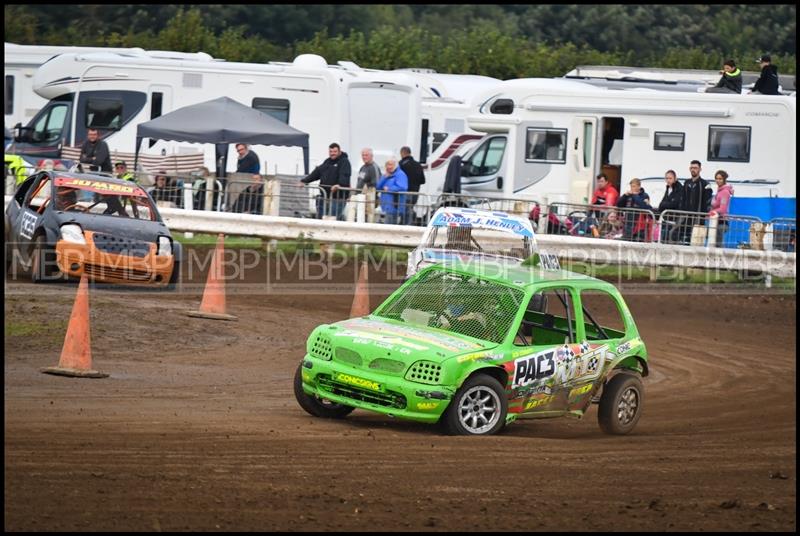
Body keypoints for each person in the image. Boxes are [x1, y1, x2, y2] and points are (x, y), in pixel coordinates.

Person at [300, 142, 351, 220]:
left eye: (334, 152)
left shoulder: (344, 162)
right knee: (321, 220)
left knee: (333, 220)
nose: (332, 154)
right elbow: (317, 172)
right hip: (324, 197)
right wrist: (304, 181)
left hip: (337, 198)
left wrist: (339, 185)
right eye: (330, 152)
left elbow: (345, 175)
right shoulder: (327, 161)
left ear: (339, 151)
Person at [680, 160, 714, 244]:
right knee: (685, 242)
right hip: (686, 218)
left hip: (699, 218)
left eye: (695, 168)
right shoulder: (686, 183)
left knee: (697, 243)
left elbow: (708, 201)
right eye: (691, 168)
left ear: (700, 169)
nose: (693, 170)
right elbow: (682, 199)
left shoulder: (705, 184)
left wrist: (705, 214)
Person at [376, 158, 408, 225]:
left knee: (390, 227)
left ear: (395, 165)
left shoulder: (400, 174)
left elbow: (402, 187)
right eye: (387, 165)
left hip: (394, 206)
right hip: (385, 206)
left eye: (391, 165)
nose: (388, 167)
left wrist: (389, 189)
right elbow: (378, 186)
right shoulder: (386, 175)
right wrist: (384, 177)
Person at [399, 146, 426, 225]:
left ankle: (407, 226)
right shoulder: (418, 165)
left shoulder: (401, 164)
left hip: (405, 192)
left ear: (402, 153)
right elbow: (423, 180)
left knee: (405, 211)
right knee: (409, 209)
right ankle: (408, 225)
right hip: (415, 193)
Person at [657, 169, 684, 243]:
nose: (668, 180)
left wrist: (663, 204)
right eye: (667, 178)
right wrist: (663, 205)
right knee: (663, 241)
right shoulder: (668, 188)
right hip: (666, 218)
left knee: (670, 241)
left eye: (670, 178)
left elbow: (675, 203)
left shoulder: (680, 189)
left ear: (675, 178)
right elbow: (661, 203)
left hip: (674, 219)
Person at [709, 170, 734, 248]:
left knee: (718, 244)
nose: (718, 180)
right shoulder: (719, 191)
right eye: (716, 178)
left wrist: (712, 212)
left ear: (724, 180)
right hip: (715, 220)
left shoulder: (725, 192)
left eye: (720, 179)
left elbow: (723, 209)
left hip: (721, 221)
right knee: (715, 242)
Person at [356, 148, 381, 223]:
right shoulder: (362, 167)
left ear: (371, 156)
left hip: (370, 199)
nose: (364, 157)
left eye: (366, 155)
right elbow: (359, 182)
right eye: (363, 155)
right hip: (360, 199)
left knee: (369, 220)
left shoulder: (374, 167)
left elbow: (377, 183)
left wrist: (367, 187)